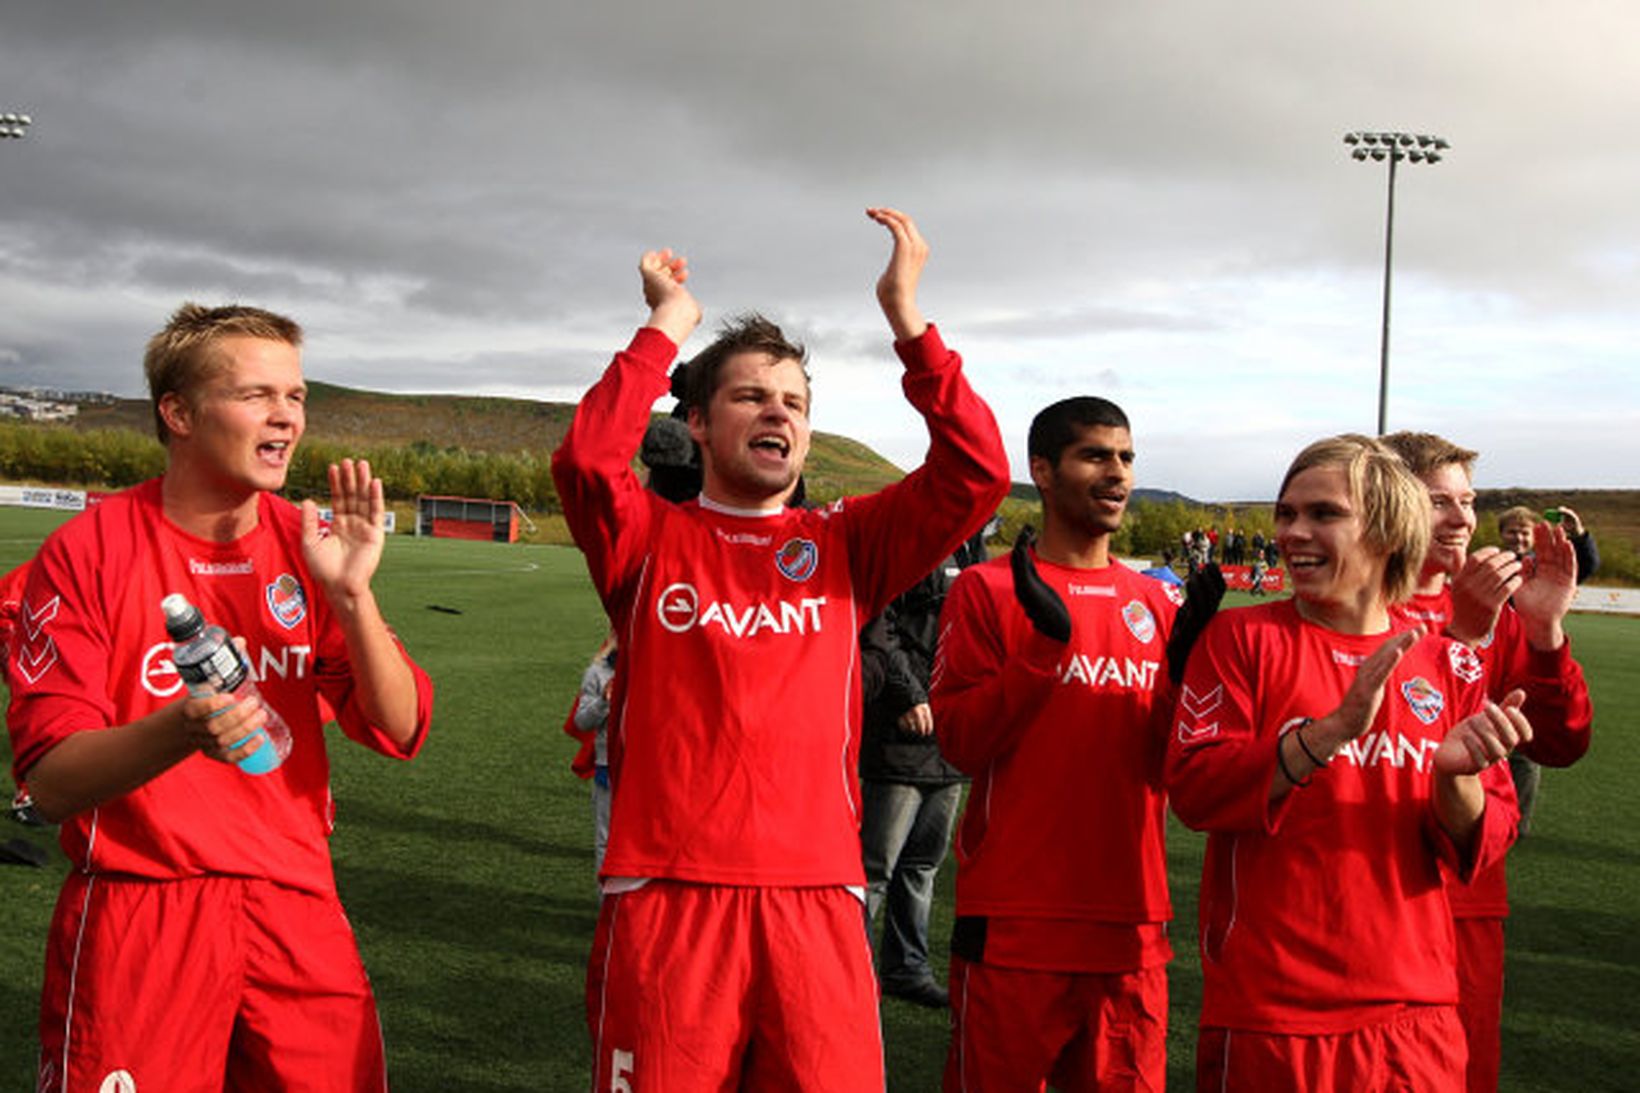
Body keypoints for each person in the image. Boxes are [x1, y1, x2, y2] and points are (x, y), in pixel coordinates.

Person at [551, 207, 1009, 1091]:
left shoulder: (847, 543)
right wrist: (667, 326)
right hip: (666, 889)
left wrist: (909, 324)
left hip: (819, 895)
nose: (778, 413)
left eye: (795, 401)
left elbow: (977, 473)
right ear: (697, 422)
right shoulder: (647, 539)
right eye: (751, 396)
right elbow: (585, 460)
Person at [6, 303, 434, 1091]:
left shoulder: (307, 544)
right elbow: (51, 783)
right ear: (178, 413)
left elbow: (401, 726)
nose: (285, 417)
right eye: (255, 395)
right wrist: (183, 727)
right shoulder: (87, 551)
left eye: (296, 396)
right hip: (143, 908)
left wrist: (353, 597)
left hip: (298, 904)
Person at [1166, 434, 1527, 1092]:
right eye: (1286, 513)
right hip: (1274, 1016)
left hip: (1416, 1018)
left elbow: (1487, 837)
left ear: (1388, 528)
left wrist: (1457, 781)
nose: (1293, 532)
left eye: (1323, 513)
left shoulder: (1446, 661)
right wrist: (1326, 734)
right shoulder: (1241, 639)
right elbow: (1194, 789)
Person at [929, 396, 1222, 1092]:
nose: (1116, 472)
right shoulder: (986, 589)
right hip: (1014, 922)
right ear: (1044, 470)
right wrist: (1038, 657)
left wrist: (1184, 685)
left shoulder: (1155, 603)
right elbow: (961, 744)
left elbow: (1175, 771)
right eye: (1095, 455)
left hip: (1131, 924)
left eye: (1125, 457)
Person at [1382, 432, 1593, 1093]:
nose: (1462, 519)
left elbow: (1560, 743)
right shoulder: (1351, 608)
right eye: (1438, 500)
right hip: (1374, 889)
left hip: (1467, 900)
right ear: (1389, 503)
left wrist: (1544, 631)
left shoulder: (1502, 612)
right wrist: (1459, 636)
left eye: (1467, 501)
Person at [858, 531, 985, 1010]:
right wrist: (906, 693)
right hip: (902, 732)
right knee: (875, 867)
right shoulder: (909, 541)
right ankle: (851, 968)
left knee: (922, 865)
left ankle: (905, 968)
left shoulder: (974, 546)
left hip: (949, 737)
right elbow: (878, 625)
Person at [1498, 503, 1599, 584]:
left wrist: (1578, 534)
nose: (1519, 538)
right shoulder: (1493, 564)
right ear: (1501, 534)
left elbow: (1587, 566)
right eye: (1512, 532)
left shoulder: (1547, 564)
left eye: (1525, 533)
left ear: (1534, 536)